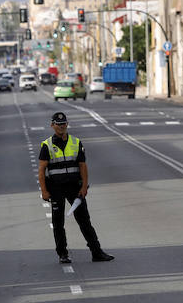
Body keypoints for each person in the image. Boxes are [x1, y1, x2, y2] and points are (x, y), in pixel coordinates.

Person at [38, 112, 114, 264]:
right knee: (58, 223)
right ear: (52, 125)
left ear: (67, 124)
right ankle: (62, 254)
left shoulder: (76, 142)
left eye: (64, 123)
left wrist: (84, 186)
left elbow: (83, 166)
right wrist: (44, 191)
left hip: (74, 187)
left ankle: (96, 252)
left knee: (84, 220)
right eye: (58, 124)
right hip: (56, 188)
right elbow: (41, 170)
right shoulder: (47, 145)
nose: (61, 126)